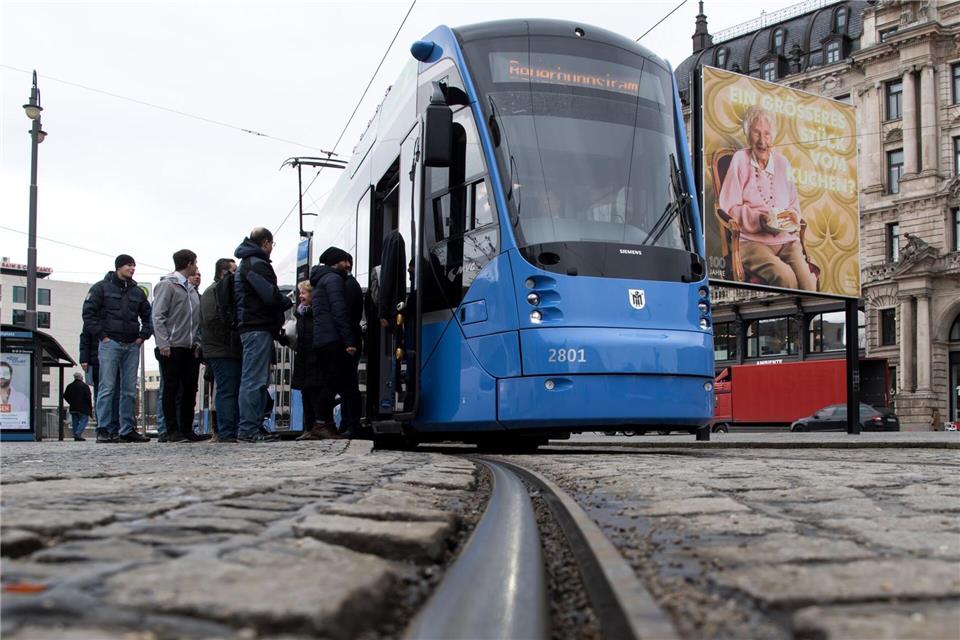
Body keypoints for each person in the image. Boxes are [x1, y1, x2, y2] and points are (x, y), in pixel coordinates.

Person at [718, 106, 816, 291]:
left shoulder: (782, 163)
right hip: (751, 242)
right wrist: (759, 220)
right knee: (786, 277)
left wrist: (790, 218)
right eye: (756, 133)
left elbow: (794, 206)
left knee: (808, 284)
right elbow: (729, 207)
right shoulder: (740, 159)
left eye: (767, 134)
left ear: (773, 137)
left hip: (786, 241)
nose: (762, 141)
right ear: (748, 135)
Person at [81, 254, 153, 443]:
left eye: (134, 265)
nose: (132, 268)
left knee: (129, 390)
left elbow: (148, 316)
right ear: (118, 267)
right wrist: (102, 336)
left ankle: (127, 429)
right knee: (107, 387)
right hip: (110, 343)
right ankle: (104, 429)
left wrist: (142, 337)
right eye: (129, 265)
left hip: (132, 345)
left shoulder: (137, 292)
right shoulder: (100, 288)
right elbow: (88, 314)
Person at [234, 228, 292, 443]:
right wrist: (286, 301)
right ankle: (249, 429)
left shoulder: (248, 262)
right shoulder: (256, 264)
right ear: (266, 242)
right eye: (271, 245)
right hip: (256, 326)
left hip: (254, 326)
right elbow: (269, 295)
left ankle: (253, 426)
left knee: (256, 379)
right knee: (255, 380)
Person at [152, 249, 203, 443]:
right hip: (172, 346)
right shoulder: (167, 285)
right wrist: (163, 342)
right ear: (189, 263)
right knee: (171, 388)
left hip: (190, 347)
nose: (196, 267)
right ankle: (171, 430)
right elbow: (158, 315)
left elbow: (196, 319)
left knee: (190, 389)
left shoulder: (191, 289)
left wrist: (197, 341)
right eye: (195, 263)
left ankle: (186, 429)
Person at [310, 247, 361, 438]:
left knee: (333, 383)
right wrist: (349, 341)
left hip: (323, 340)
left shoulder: (320, 280)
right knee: (335, 384)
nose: (348, 265)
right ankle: (322, 423)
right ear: (335, 262)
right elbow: (340, 312)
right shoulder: (334, 280)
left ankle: (328, 424)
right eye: (344, 261)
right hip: (334, 340)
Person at [201, 258, 242, 442]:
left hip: (226, 348)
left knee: (231, 389)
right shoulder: (213, 291)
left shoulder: (221, 290)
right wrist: (233, 334)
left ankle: (230, 430)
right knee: (227, 390)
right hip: (221, 349)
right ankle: (226, 431)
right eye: (234, 271)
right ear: (223, 272)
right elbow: (212, 321)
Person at [63, 371, 93, 441]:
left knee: (75, 422)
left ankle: (76, 436)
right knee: (84, 420)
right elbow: (88, 397)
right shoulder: (85, 386)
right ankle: (78, 434)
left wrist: (70, 402)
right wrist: (90, 407)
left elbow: (65, 395)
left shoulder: (69, 386)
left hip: (73, 407)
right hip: (83, 408)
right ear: (81, 378)